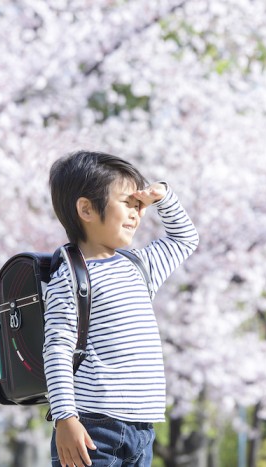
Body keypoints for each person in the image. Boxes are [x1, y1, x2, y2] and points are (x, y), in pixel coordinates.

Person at [43, 150, 199, 467]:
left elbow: (185, 238)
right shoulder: (70, 276)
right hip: (93, 427)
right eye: (127, 204)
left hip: (142, 429)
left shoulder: (138, 266)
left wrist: (163, 197)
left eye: (139, 207)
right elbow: (57, 346)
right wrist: (65, 417)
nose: (136, 214)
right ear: (86, 209)